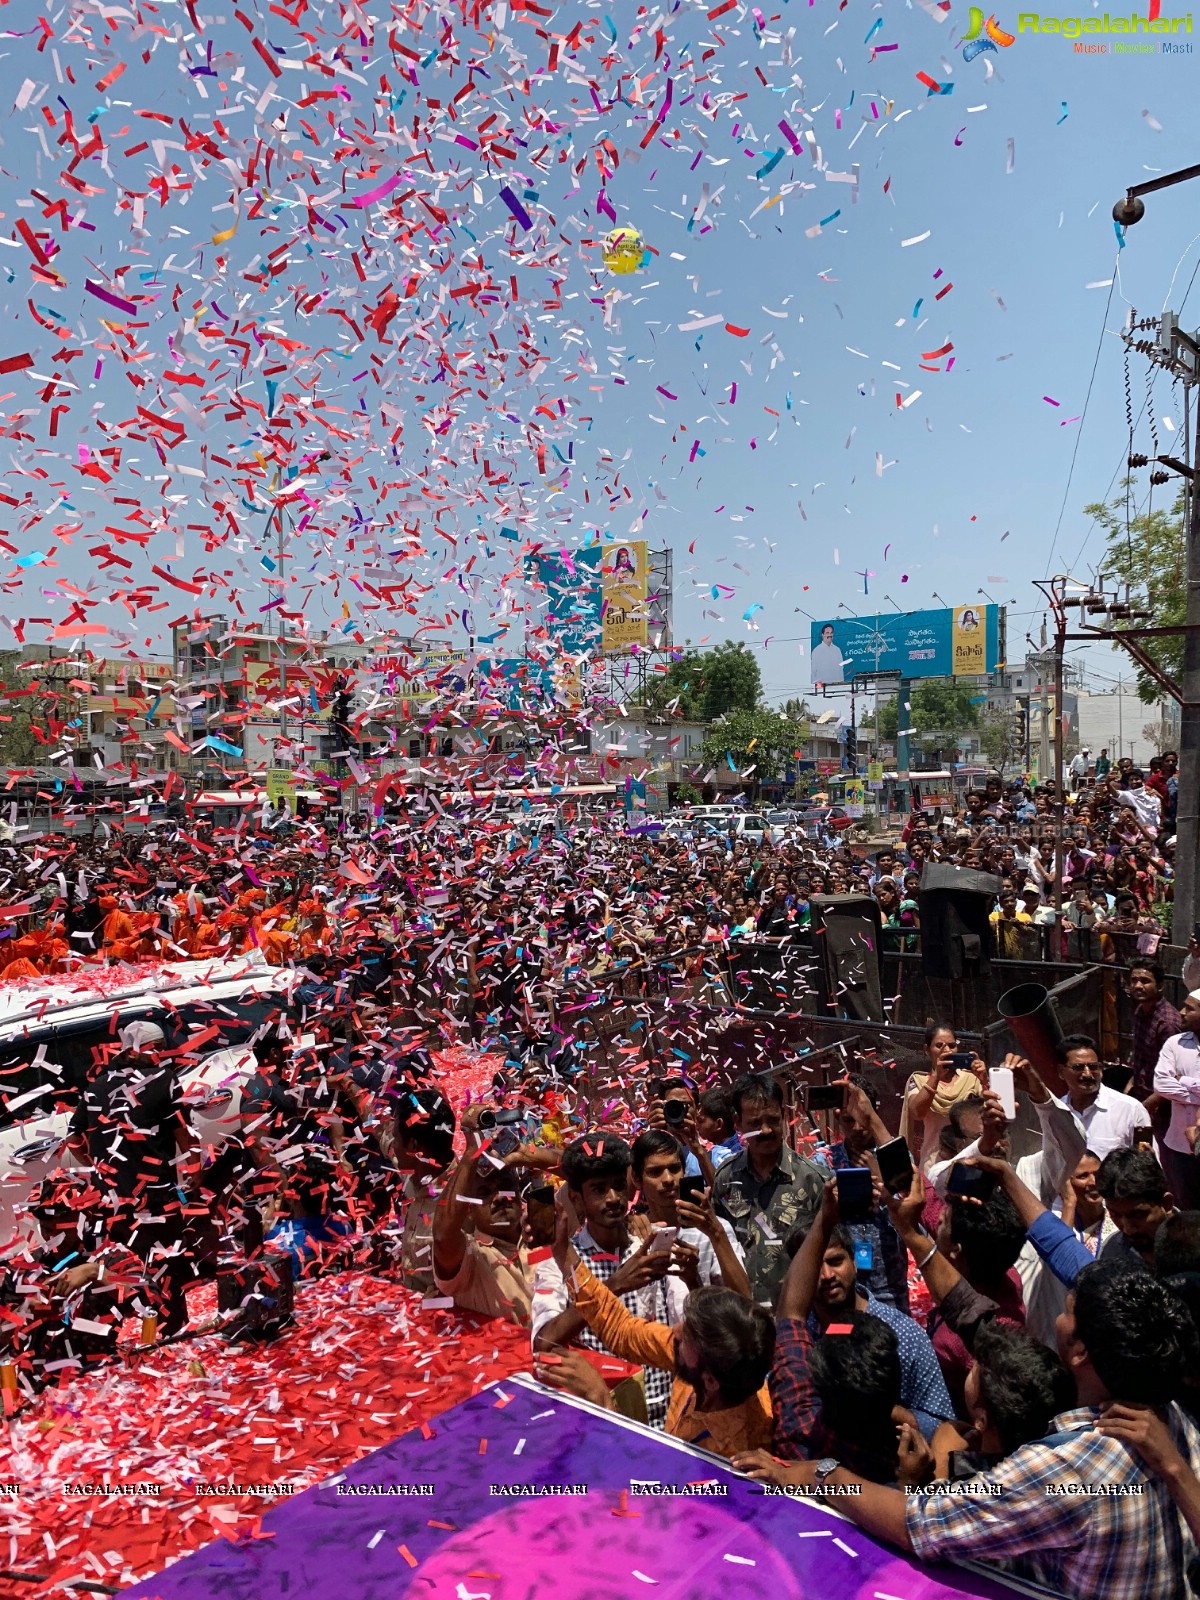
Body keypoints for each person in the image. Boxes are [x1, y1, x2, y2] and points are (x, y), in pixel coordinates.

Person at [736, 1259, 1200, 1600]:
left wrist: (824, 1474)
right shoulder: (1168, 1417)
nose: (1056, 1317)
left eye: (1068, 1311)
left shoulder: (1062, 1469)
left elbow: (919, 1525)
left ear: (1078, 1349)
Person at [535, 1188, 775, 1459]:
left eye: (687, 1337)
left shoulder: (733, 1454)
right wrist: (565, 1255)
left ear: (709, 1381)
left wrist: (600, 1398)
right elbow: (622, 1330)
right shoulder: (712, 1360)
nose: (676, 1330)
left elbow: (655, 1489)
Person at [531, 1134, 676, 1428]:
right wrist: (613, 1287)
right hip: (604, 1419)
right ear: (576, 1199)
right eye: (598, 1190)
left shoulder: (651, 1245)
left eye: (618, 1186)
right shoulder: (558, 1264)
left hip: (668, 1419)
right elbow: (543, 1343)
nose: (613, 1198)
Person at [791, 1188, 953, 1441]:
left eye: (835, 1261)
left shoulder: (903, 1335)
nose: (827, 1276)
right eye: (815, 1267)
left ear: (855, 1261)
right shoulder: (797, 1338)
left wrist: (881, 1408)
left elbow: (942, 1427)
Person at [710, 1073, 827, 1307]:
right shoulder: (726, 1179)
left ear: (783, 1115)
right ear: (738, 1123)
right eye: (754, 1123)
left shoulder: (811, 1179)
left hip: (796, 1316)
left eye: (772, 1120)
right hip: (742, 1315)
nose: (765, 1130)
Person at [816, 1077, 910, 1310]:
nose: (857, 1129)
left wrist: (883, 1184)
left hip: (888, 1279)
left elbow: (911, 1212)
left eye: (863, 1121)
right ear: (838, 1119)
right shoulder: (823, 1161)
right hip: (842, 1282)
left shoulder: (896, 1158)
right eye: (849, 1121)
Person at [629, 1129, 751, 1304]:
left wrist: (716, 1234)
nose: (668, 1179)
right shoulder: (634, 1232)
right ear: (636, 1178)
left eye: (674, 1168)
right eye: (655, 1172)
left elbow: (743, 1299)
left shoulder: (712, 1231)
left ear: (684, 1171)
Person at [900, 1025, 987, 1171]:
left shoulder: (971, 1079)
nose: (947, 1050)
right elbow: (917, 1113)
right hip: (933, 1165)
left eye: (952, 1046)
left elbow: (991, 1114)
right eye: (939, 1046)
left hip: (969, 1163)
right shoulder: (919, 1080)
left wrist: (984, 1080)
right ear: (927, 1050)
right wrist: (936, 1077)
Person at [1054, 1033, 1150, 1160]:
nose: (1088, 1074)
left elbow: (1148, 1162)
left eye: (1093, 1067)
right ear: (1061, 1072)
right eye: (1078, 1068)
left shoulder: (1132, 1110)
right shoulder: (1056, 1111)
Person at [1154, 992, 1200, 1210]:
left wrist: (1185, 1081)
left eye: (1190, 1009)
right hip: (1178, 1146)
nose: (1182, 1013)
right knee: (1183, 1205)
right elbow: (1161, 1084)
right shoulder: (1175, 1043)